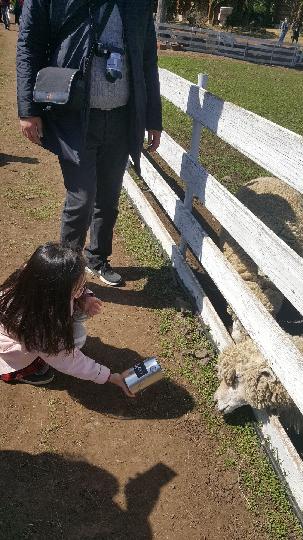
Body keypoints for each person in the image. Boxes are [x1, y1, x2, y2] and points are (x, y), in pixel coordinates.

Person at [16, 0, 162, 287]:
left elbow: (147, 58)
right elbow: (29, 44)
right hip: (74, 117)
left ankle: (97, 259)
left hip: (122, 117)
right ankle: (67, 274)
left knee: (108, 198)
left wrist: (152, 118)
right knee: (81, 198)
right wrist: (28, 109)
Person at [0, 242, 134, 395]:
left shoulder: (35, 278)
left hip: (33, 331)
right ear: (58, 290)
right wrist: (109, 376)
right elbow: (67, 359)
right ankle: (26, 372)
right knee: (49, 361)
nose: (82, 288)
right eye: (78, 287)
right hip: (13, 347)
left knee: (69, 336)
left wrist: (85, 298)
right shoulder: (40, 325)